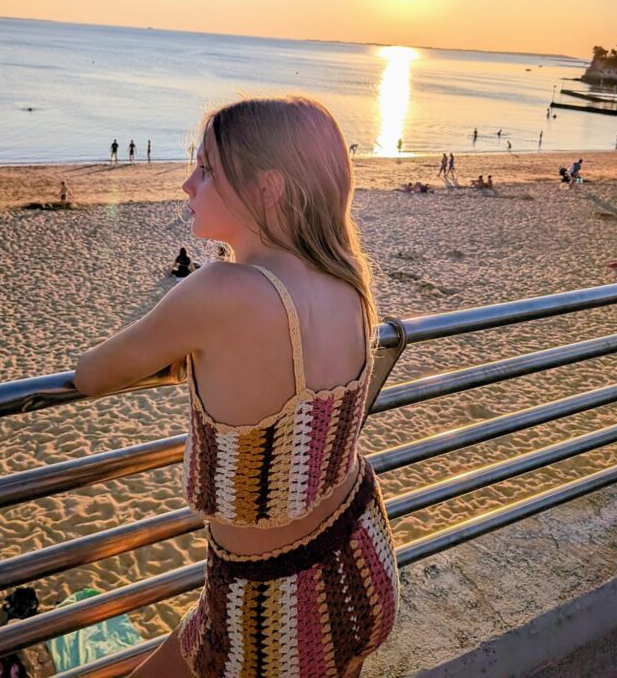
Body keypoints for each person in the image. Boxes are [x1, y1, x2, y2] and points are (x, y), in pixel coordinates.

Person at [74, 96, 399, 678]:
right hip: (361, 552)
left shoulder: (222, 291)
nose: (187, 184)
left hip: (274, 605)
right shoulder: (346, 278)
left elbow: (91, 374)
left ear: (268, 188)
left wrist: (184, 352)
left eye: (206, 169)